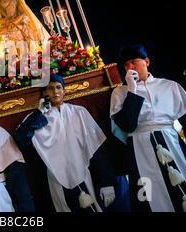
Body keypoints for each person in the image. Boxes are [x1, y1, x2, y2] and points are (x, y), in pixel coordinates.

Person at [110, 44, 186, 212]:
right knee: (149, 196)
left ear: (146, 61)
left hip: (171, 142)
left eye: (134, 62)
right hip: (140, 149)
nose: (130, 67)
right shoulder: (119, 93)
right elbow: (127, 125)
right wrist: (132, 91)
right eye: (126, 65)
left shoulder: (170, 86)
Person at [15, 74, 117, 212]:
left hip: (85, 173)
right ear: (45, 92)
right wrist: (39, 112)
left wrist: (106, 182)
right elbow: (22, 139)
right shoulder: (36, 118)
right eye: (50, 88)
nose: (55, 92)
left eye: (58, 87)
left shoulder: (79, 112)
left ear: (64, 90)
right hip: (55, 179)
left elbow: (97, 148)